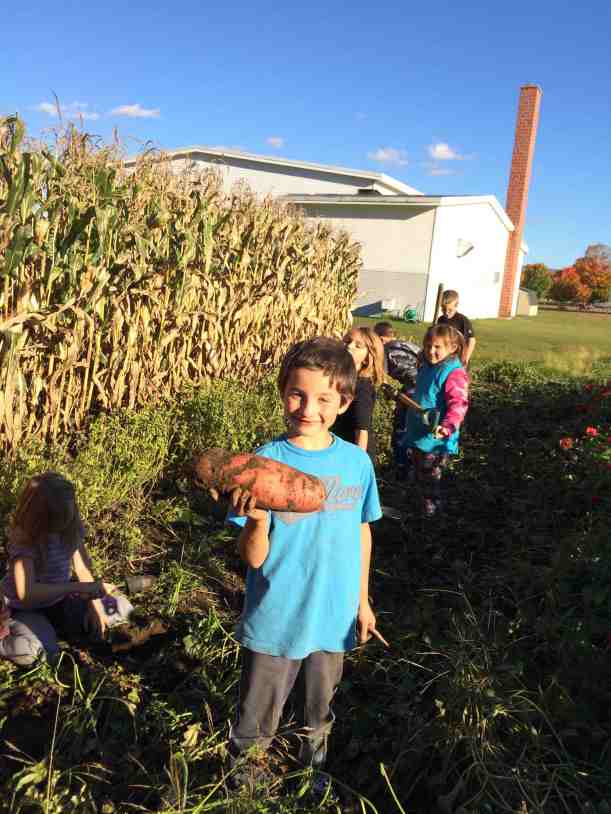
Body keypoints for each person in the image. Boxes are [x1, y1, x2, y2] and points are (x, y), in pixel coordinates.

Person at [220, 336, 383, 793]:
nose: (308, 408)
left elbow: (362, 532)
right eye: (297, 394)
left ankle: (310, 777)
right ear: (282, 391)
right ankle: (243, 787)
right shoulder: (263, 462)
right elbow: (252, 559)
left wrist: (363, 601)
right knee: (257, 713)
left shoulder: (356, 464)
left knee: (318, 709)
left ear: (345, 401)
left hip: (333, 615)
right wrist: (255, 520)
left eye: (324, 398)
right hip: (276, 615)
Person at [0, 472, 133, 667]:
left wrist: (95, 607)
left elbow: (82, 569)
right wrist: (74, 588)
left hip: (60, 601)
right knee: (36, 653)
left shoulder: (71, 528)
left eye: (70, 515)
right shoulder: (25, 541)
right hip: (24, 608)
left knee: (122, 608)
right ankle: (7, 636)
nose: (66, 523)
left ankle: (56, 629)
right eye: (60, 519)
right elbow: (26, 594)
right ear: (39, 518)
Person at [403, 325, 469, 517]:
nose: (431, 351)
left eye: (437, 347)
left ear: (453, 348)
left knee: (431, 480)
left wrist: (448, 426)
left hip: (436, 439)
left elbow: (459, 404)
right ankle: (417, 508)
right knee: (418, 474)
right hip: (418, 435)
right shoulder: (427, 366)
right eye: (428, 345)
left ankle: (432, 520)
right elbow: (425, 393)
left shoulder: (453, 373)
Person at [374, 322, 421, 475]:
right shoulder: (405, 345)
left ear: (380, 339)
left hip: (413, 390)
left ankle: (403, 468)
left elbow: (382, 379)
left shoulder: (386, 351)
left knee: (401, 429)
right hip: (426, 386)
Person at [332, 326, 385, 462]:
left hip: (353, 453)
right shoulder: (341, 378)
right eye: (347, 341)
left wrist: (358, 464)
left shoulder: (362, 387)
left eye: (358, 346)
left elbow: (362, 430)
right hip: (338, 447)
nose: (349, 346)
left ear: (368, 358)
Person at [436, 290, 476, 367]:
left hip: (459, 359)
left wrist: (466, 358)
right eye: (444, 309)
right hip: (445, 358)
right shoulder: (440, 320)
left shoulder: (462, 320)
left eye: (450, 310)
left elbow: (472, 340)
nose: (446, 313)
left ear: (456, 305)